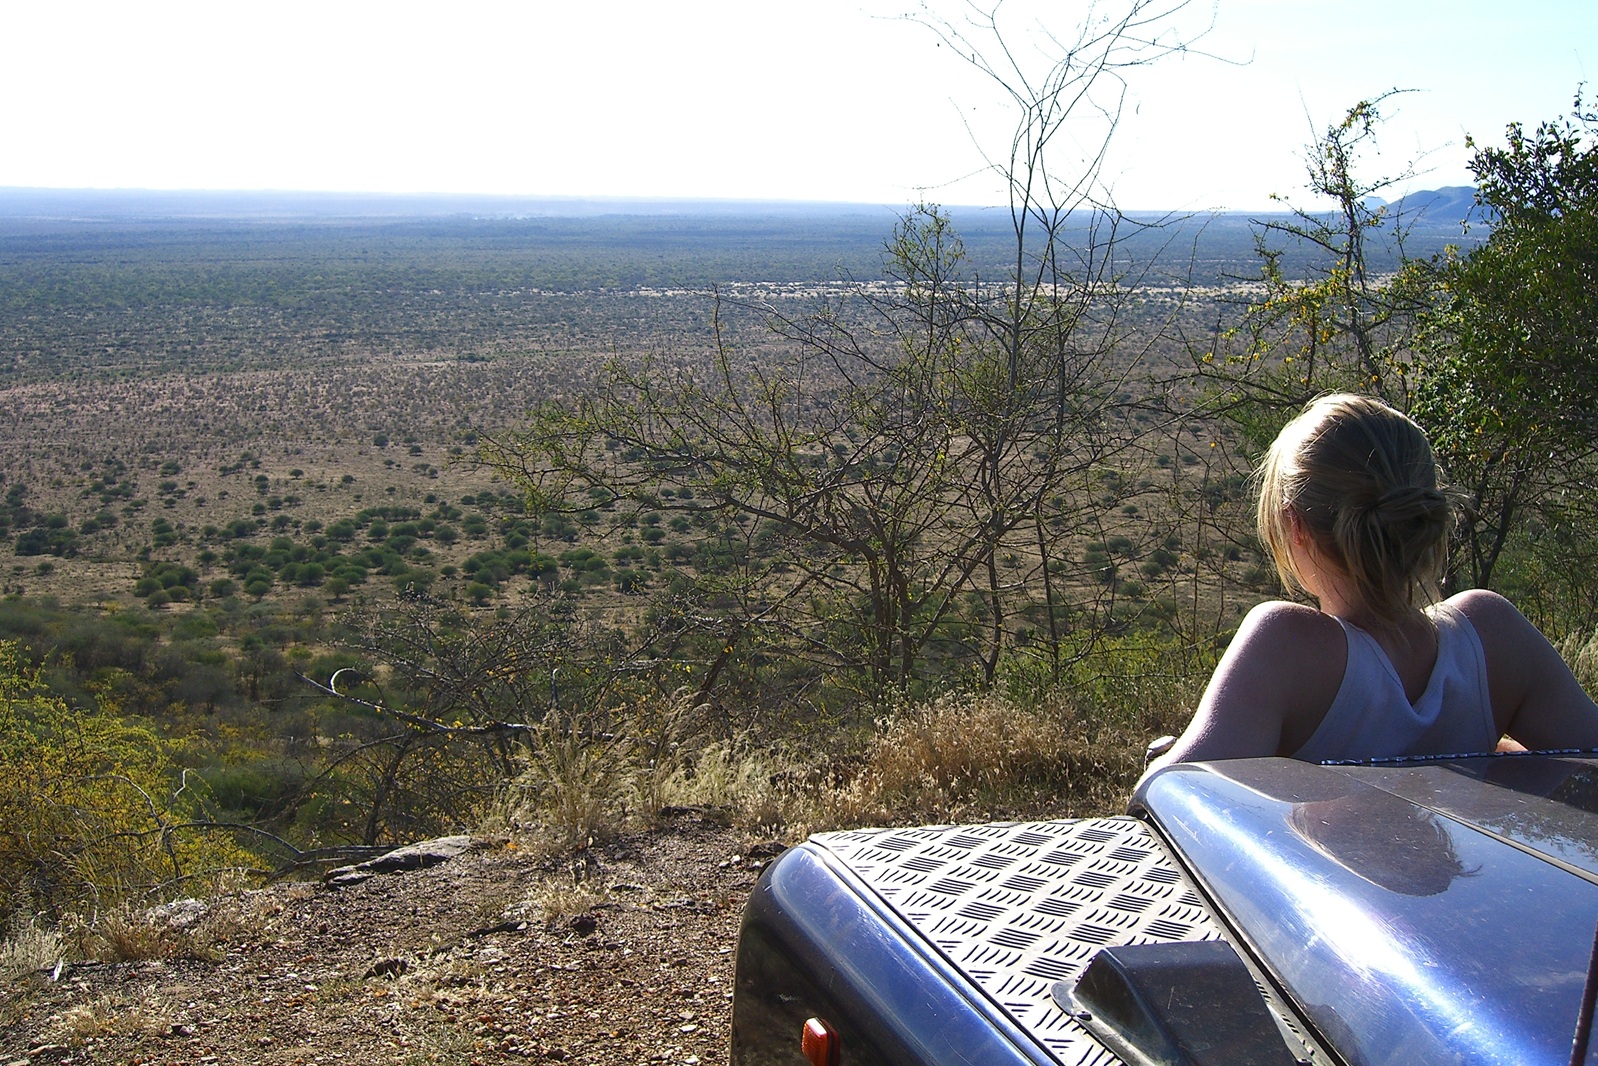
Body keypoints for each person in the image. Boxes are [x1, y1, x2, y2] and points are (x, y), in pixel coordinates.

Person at [1144, 393, 1598, 778]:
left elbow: (1164, 802)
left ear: (1294, 526)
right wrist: (1496, 759)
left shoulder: (1285, 647)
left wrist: (1164, 766)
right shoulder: (1493, 632)